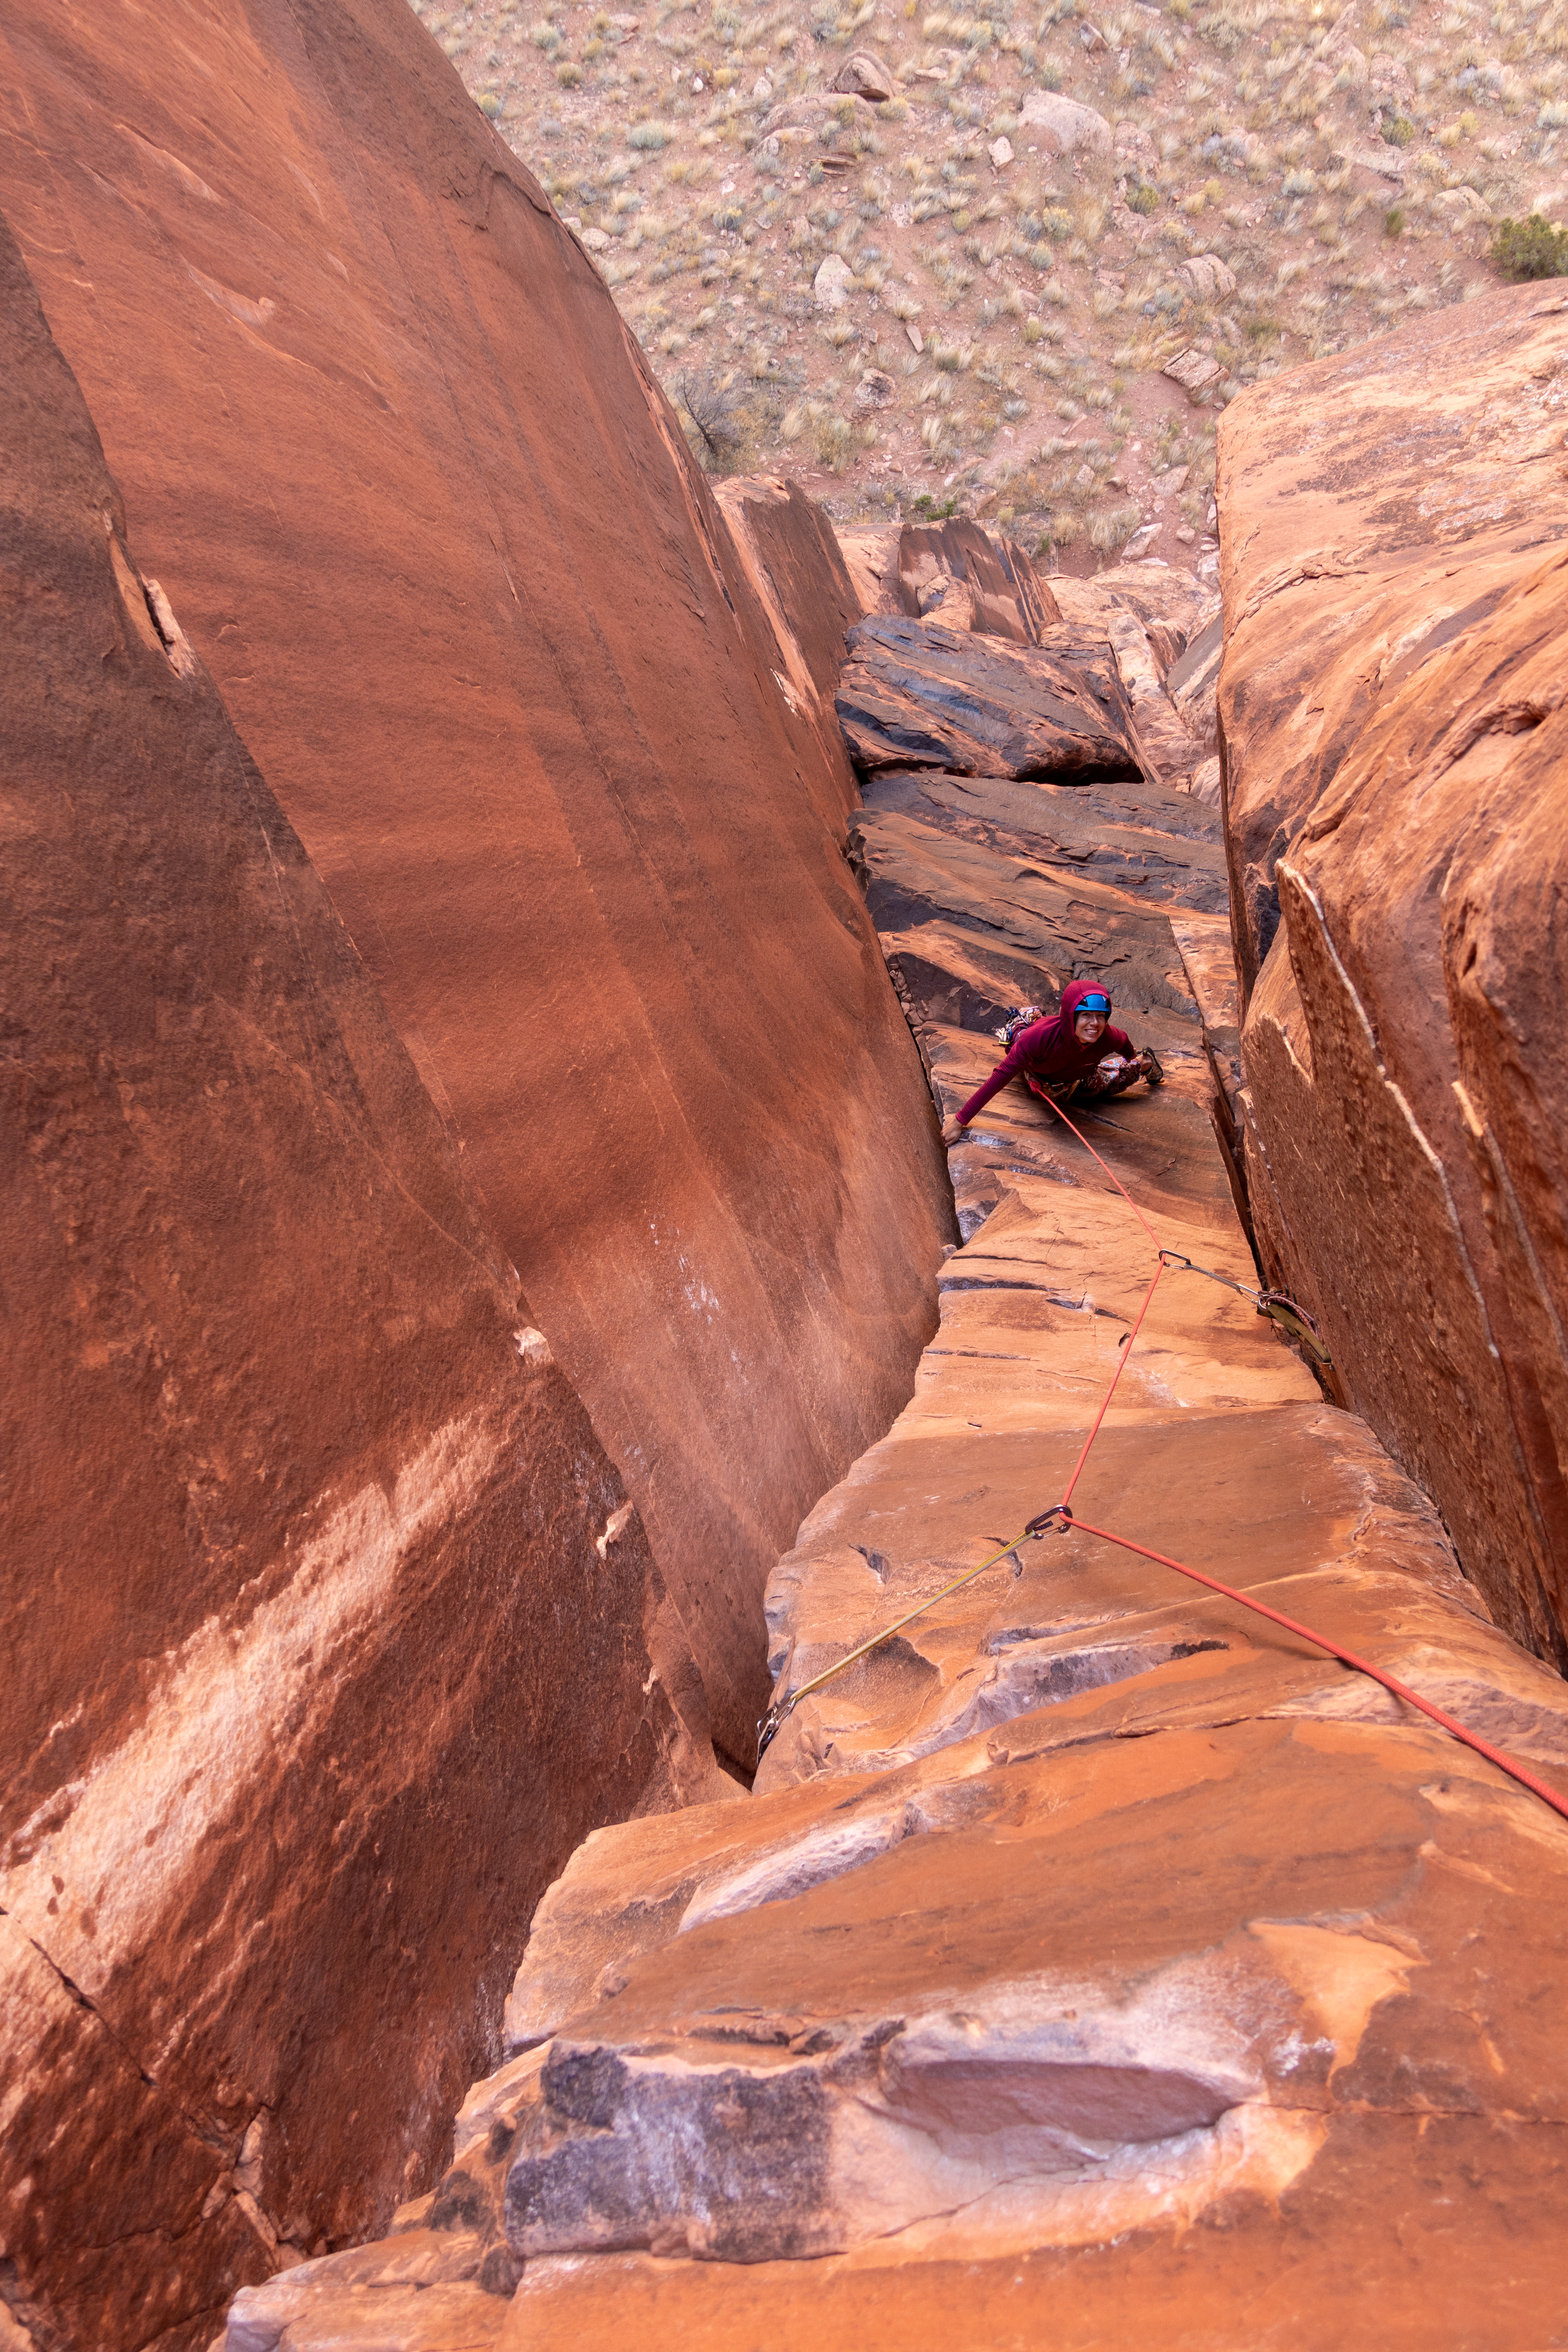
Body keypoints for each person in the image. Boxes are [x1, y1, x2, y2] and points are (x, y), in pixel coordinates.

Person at [939, 979, 1162, 1145]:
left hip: (1075, 1079)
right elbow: (1001, 1076)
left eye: (1101, 1016)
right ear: (1070, 1016)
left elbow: (1127, 1047)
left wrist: (1134, 1058)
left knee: (1110, 1081)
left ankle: (1147, 1063)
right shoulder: (1039, 1039)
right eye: (1086, 1015)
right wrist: (960, 1121)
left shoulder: (1111, 1038)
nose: (1095, 1024)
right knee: (1028, 1049)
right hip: (1036, 1070)